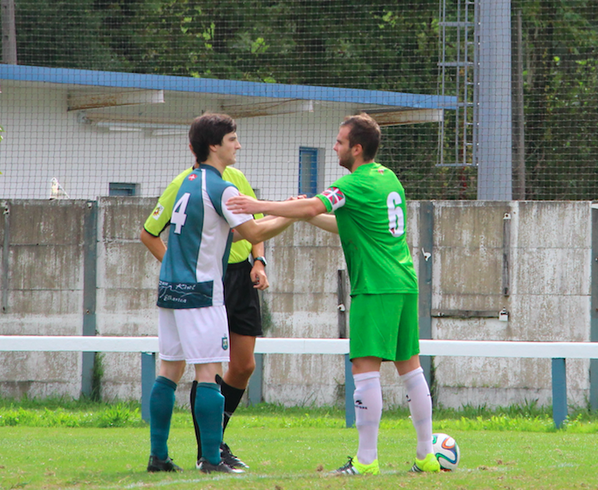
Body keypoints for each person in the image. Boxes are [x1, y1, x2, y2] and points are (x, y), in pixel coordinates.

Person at [227, 113, 441, 475]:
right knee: (410, 368)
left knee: (365, 370)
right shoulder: (387, 177)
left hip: (375, 287)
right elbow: (338, 221)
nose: (335, 146)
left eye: (340, 142)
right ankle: (426, 456)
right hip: (404, 282)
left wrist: (258, 206)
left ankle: (366, 460)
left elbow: (314, 204)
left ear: (356, 149)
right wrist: (304, 215)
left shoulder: (354, 183)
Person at [140, 113, 293, 475]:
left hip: (170, 290)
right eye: (232, 140)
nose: (238, 145)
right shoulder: (221, 187)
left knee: (167, 372)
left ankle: (158, 456)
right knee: (208, 371)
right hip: (202, 291)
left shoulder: (188, 183)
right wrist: (291, 214)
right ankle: (210, 457)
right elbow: (253, 228)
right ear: (214, 145)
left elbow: (232, 234)